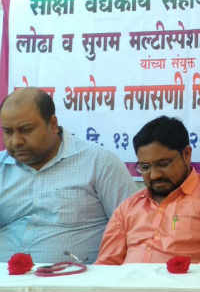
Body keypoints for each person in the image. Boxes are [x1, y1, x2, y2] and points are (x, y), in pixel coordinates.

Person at [0, 88, 137, 263]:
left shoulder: (99, 163)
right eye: (8, 132)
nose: (16, 141)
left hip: (77, 277)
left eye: (26, 130)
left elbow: (134, 228)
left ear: (53, 124)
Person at [96, 116, 200, 264]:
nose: (154, 175)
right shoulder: (127, 208)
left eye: (163, 164)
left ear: (186, 154)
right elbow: (106, 265)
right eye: (145, 167)